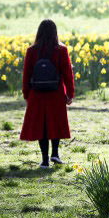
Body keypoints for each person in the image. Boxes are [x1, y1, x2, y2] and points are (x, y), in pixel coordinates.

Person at [20, 19, 75, 169]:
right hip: (56, 93)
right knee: (55, 122)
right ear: (55, 32)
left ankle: (45, 160)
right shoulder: (61, 50)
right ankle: (55, 154)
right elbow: (67, 74)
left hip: (37, 94)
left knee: (41, 126)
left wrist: (26, 94)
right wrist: (70, 93)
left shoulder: (32, 50)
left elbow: (27, 75)